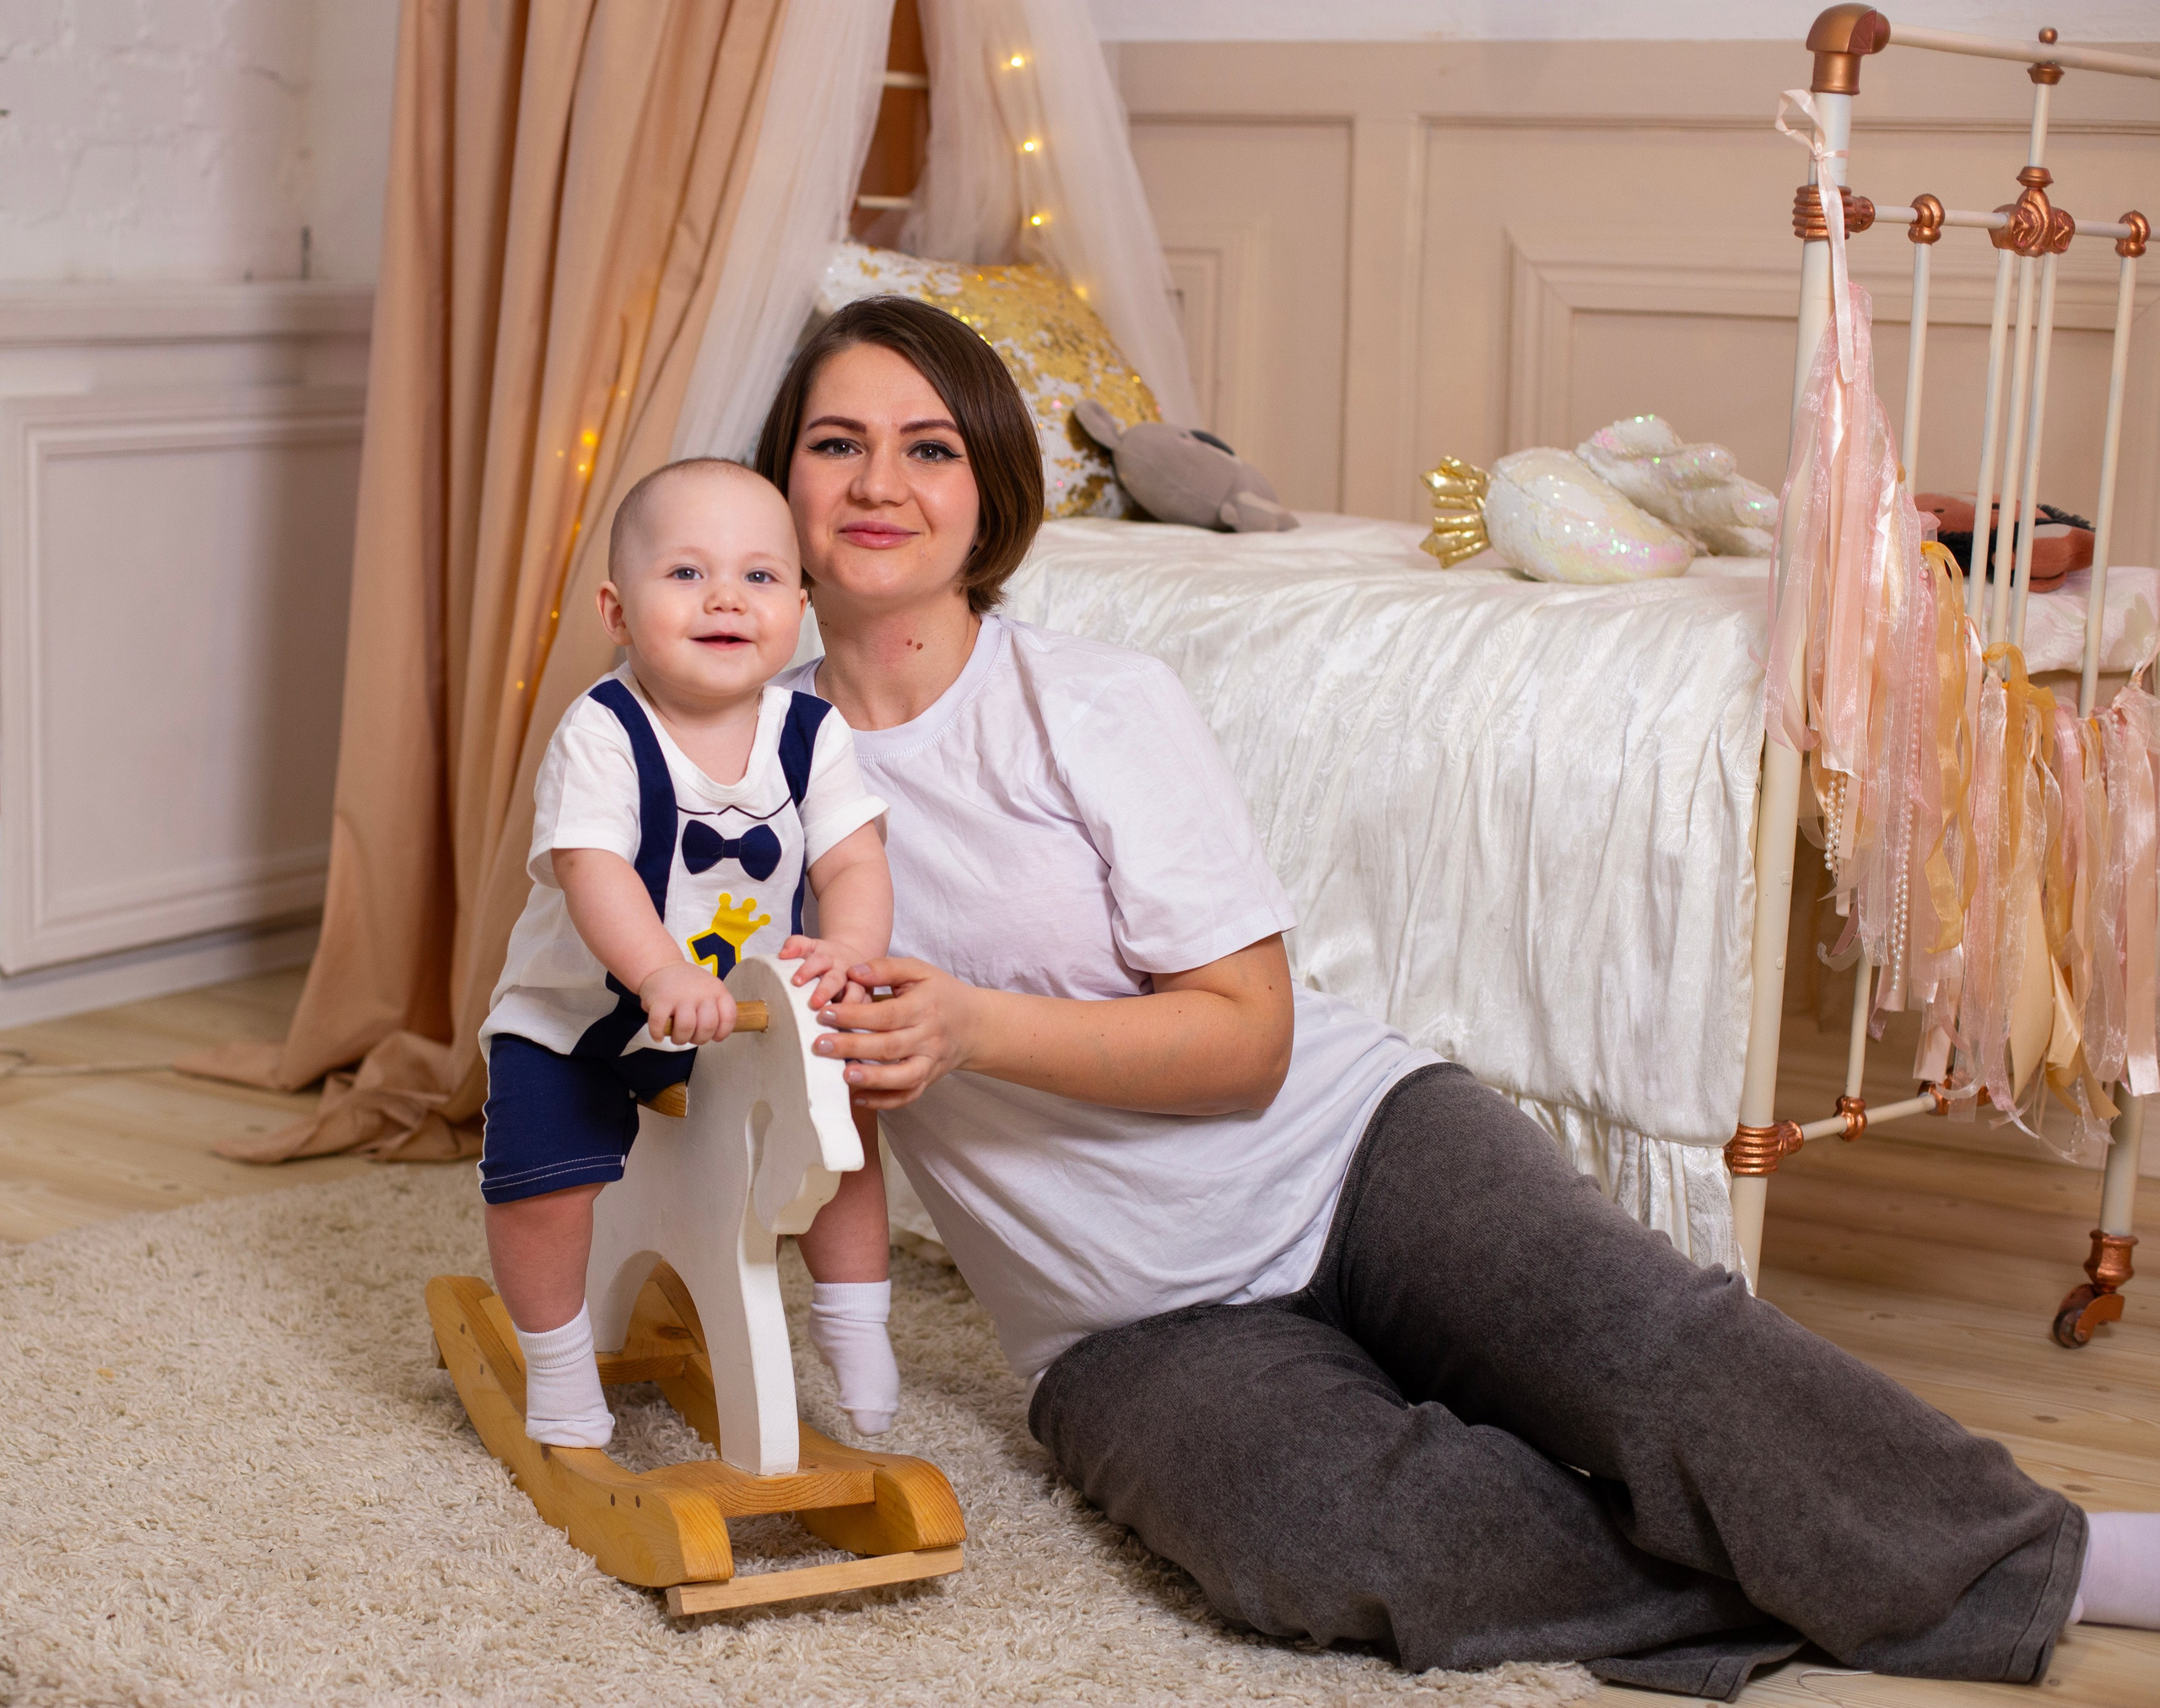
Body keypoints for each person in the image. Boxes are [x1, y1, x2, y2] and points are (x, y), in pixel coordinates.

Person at [749, 295, 2157, 1697]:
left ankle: (2040, 1553)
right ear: (784, 486)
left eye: (928, 447)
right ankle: (1835, 1547)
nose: (880, 482)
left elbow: (1247, 1046)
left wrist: (972, 1023)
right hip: (1122, 1323)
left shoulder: (1093, 703)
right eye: (837, 444)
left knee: (1657, 1351)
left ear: (989, 488)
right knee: (1322, 1533)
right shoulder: (741, 780)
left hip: (1351, 1150)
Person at [478, 459, 900, 1446]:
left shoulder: (811, 730)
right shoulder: (605, 732)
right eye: (686, 574)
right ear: (617, 610)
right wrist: (661, 972)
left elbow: (855, 860)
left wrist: (848, 952)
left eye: (759, 576)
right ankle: (557, 1362)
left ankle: (855, 1321)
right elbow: (595, 873)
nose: (725, 597)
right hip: (583, 1012)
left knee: (844, 1114)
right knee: (540, 1174)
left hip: (736, 1011)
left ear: (799, 605)